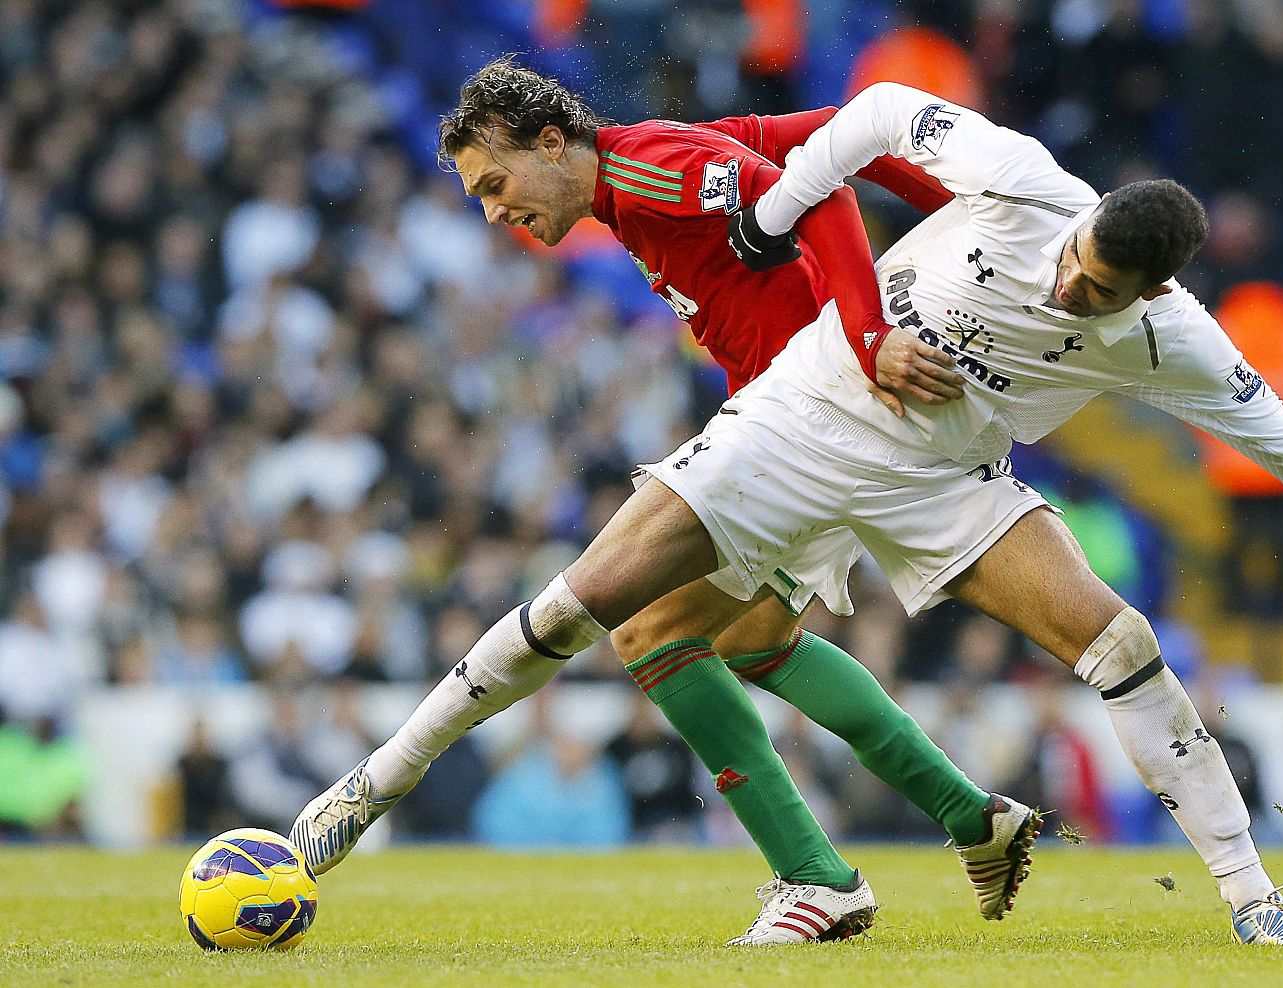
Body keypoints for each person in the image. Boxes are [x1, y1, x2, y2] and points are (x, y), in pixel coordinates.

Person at [292, 59, 1041, 946]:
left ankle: (815, 878)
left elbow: (829, 187)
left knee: (648, 631)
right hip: (811, 418)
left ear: (551, 143)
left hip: (812, 420)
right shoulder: (651, 178)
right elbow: (840, 137)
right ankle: (969, 816)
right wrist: (958, 213)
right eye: (478, 199)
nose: (494, 212)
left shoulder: (650, 171)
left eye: (497, 184)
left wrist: (869, 327)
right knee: (752, 639)